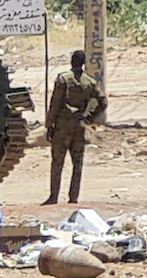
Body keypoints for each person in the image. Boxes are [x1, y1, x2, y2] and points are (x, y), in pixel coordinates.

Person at [44, 51, 107, 205]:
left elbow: (55, 103)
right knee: (77, 163)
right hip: (79, 126)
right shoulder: (89, 82)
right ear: (83, 63)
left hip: (62, 126)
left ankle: (54, 196)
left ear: (72, 62)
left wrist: (49, 125)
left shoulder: (63, 79)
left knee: (57, 162)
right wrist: (89, 118)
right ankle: (73, 197)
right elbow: (103, 102)